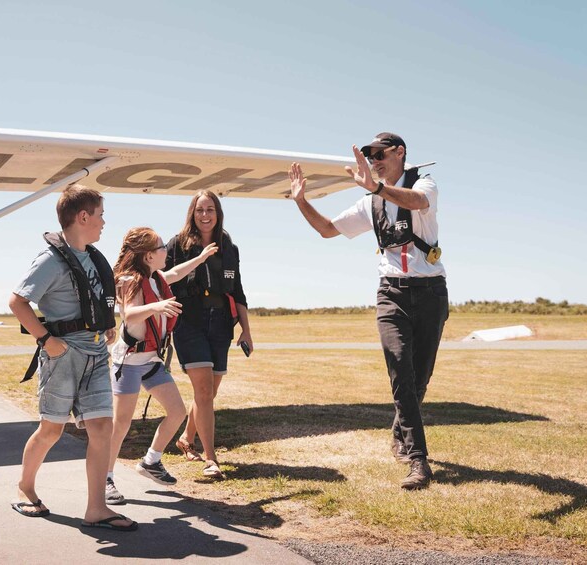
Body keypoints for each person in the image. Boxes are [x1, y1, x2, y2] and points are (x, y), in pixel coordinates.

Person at [288, 132, 448, 490]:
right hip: (392, 293)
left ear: (400, 153)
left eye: (380, 153)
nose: (374, 159)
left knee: (420, 378)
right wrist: (301, 201)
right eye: (369, 155)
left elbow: (418, 201)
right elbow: (328, 229)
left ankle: (398, 430)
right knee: (400, 372)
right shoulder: (369, 204)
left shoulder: (425, 183)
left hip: (431, 292)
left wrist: (377, 188)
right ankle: (418, 460)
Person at [8, 185, 138, 531]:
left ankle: (96, 508)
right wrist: (46, 340)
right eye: (100, 215)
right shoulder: (50, 259)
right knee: (51, 429)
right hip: (63, 354)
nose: (103, 222)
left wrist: (105, 327)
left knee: (101, 428)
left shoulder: (93, 256)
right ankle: (26, 487)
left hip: (96, 352)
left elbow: (93, 299)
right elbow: (18, 302)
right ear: (83, 217)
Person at [105, 227, 218, 504]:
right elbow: (128, 313)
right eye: (160, 248)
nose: (166, 251)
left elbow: (177, 273)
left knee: (177, 412)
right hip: (129, 361)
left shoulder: (156, 280)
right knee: (120, 424)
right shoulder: (130, 281)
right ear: (147, 256)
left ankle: (151, 461)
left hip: (151, 360)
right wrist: (157, 308)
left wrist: (201, 258)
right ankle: (104, 478)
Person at [165, 190, 253, 480]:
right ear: (192, 213)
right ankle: (211, 459)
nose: (205, 215)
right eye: (200, 210)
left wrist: (246, 330)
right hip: (188, 322)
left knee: (209, 393)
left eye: (210, 210)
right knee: (203, 391)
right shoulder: (177, 245)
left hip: (220, 325)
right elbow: (161, 279)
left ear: (218, 213)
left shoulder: (229, 247)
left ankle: (186, 439)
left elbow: (237, 291)